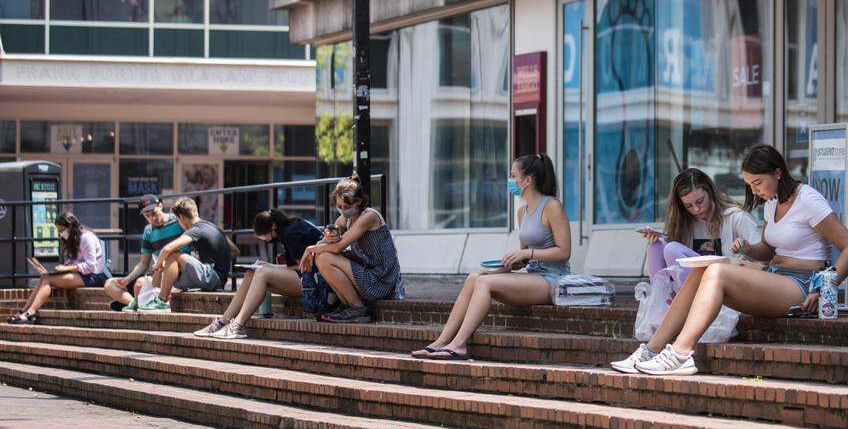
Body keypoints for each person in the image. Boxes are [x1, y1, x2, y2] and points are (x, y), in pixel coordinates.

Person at [613, 144, 848, 376]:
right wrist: (747, 248)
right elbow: (767, 250)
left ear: (777, 173)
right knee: (702, 271)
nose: (754, 191)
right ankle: (651, 349)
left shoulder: (808, 199)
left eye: (757, 183)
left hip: (804, 285)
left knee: (716, 270)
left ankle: (681, 352)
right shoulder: (771, 202)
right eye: (749, 185)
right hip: (778, 280)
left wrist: (824, 289)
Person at [412, 153, 570, 360]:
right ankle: (442, 341)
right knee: (474, 277)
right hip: (533, 275)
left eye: (514, 176)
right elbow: (525, 260)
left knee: (484, 283)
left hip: (553, 279)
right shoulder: (523, 212)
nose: (510, 181)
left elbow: (564, 251)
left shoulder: (552, 206)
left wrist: (527, 252)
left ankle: (459, 345)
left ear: (528, 181)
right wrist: (509, 264)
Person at [195, 209, 323, 339]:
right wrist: (271, 266)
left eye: (266, 236)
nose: (267, 239)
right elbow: (297, 265)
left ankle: (237, 325)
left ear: (273, 227)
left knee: (262, 273)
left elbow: (304, 267)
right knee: (252, 273)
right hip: (308, 277)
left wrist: (270, 269)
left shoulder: (290, 234)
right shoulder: (291, 228)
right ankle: (222, 322)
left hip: (315, 282)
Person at [299, 173, 404, 323]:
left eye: (346, 207)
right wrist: (326, 240)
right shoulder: (344, 219)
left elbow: (338, 247)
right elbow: (326, 243)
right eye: (339, 206)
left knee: (325, 256)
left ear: (359, 202)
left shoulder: (369, 216)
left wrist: (310, 249)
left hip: (381, 280)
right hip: (366, 275)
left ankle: (357, 308)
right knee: (322, 256)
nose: (342, 210)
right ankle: (348, 305)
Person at [641, 168, 760, 283]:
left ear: (710, 192)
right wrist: (657, 238)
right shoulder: (682, 221)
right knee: (656, 246)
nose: (696, 209)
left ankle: (688, 300)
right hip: (691, 284)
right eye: (689, 206)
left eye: (700, 201)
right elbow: (670, 258)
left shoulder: (736, 217)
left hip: (724, 284)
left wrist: (746, 248)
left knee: (672, 248)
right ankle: (660, 298)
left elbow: (761, 262)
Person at [8, 212, 109, 325]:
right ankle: (24, 311)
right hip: (82, 274)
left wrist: (67, 268)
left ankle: (31, 313)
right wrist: (66, 266)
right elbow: (76, 260)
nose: (61, 234)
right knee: (44, 277)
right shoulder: (73, 238)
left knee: (48, 280)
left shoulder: (86, 238)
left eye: (61, 230)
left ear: (70, 226)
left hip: (94, 276)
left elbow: (91, 266)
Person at [144, 197, 237, 312]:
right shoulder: (213, 227)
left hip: (212, 278)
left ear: (181, 217)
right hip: (218, 278)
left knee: (174, 255)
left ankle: (162, 300)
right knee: (177, 261)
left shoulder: (195, 230)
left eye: (178, 220)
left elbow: (167, 249)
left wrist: (157, 265)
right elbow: (235, 250)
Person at [103, 195, 189, 311]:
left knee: (139, 283)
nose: (152, 218)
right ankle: (135, 303)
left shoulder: (178, 221)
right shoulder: (148, 230)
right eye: (147, 215)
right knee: (110, 284)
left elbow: (186, 253)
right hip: (158, 273)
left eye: (154, 213)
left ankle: (138, 303)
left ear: (160, 206)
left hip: (174, 273)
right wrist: (127, 279)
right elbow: (143, 263)